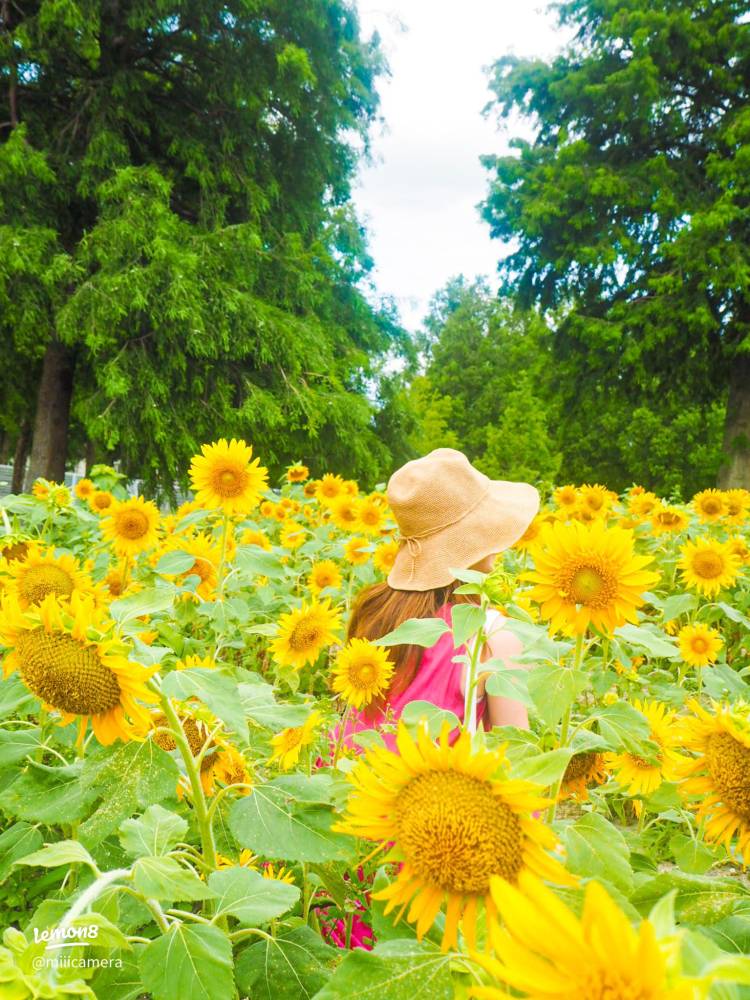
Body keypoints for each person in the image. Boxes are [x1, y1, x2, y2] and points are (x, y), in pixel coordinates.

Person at [339, 447, 539, 750]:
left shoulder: (375, 609)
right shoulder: (492, 636)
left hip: (348, 773)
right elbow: (516, 754)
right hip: (430, 779)